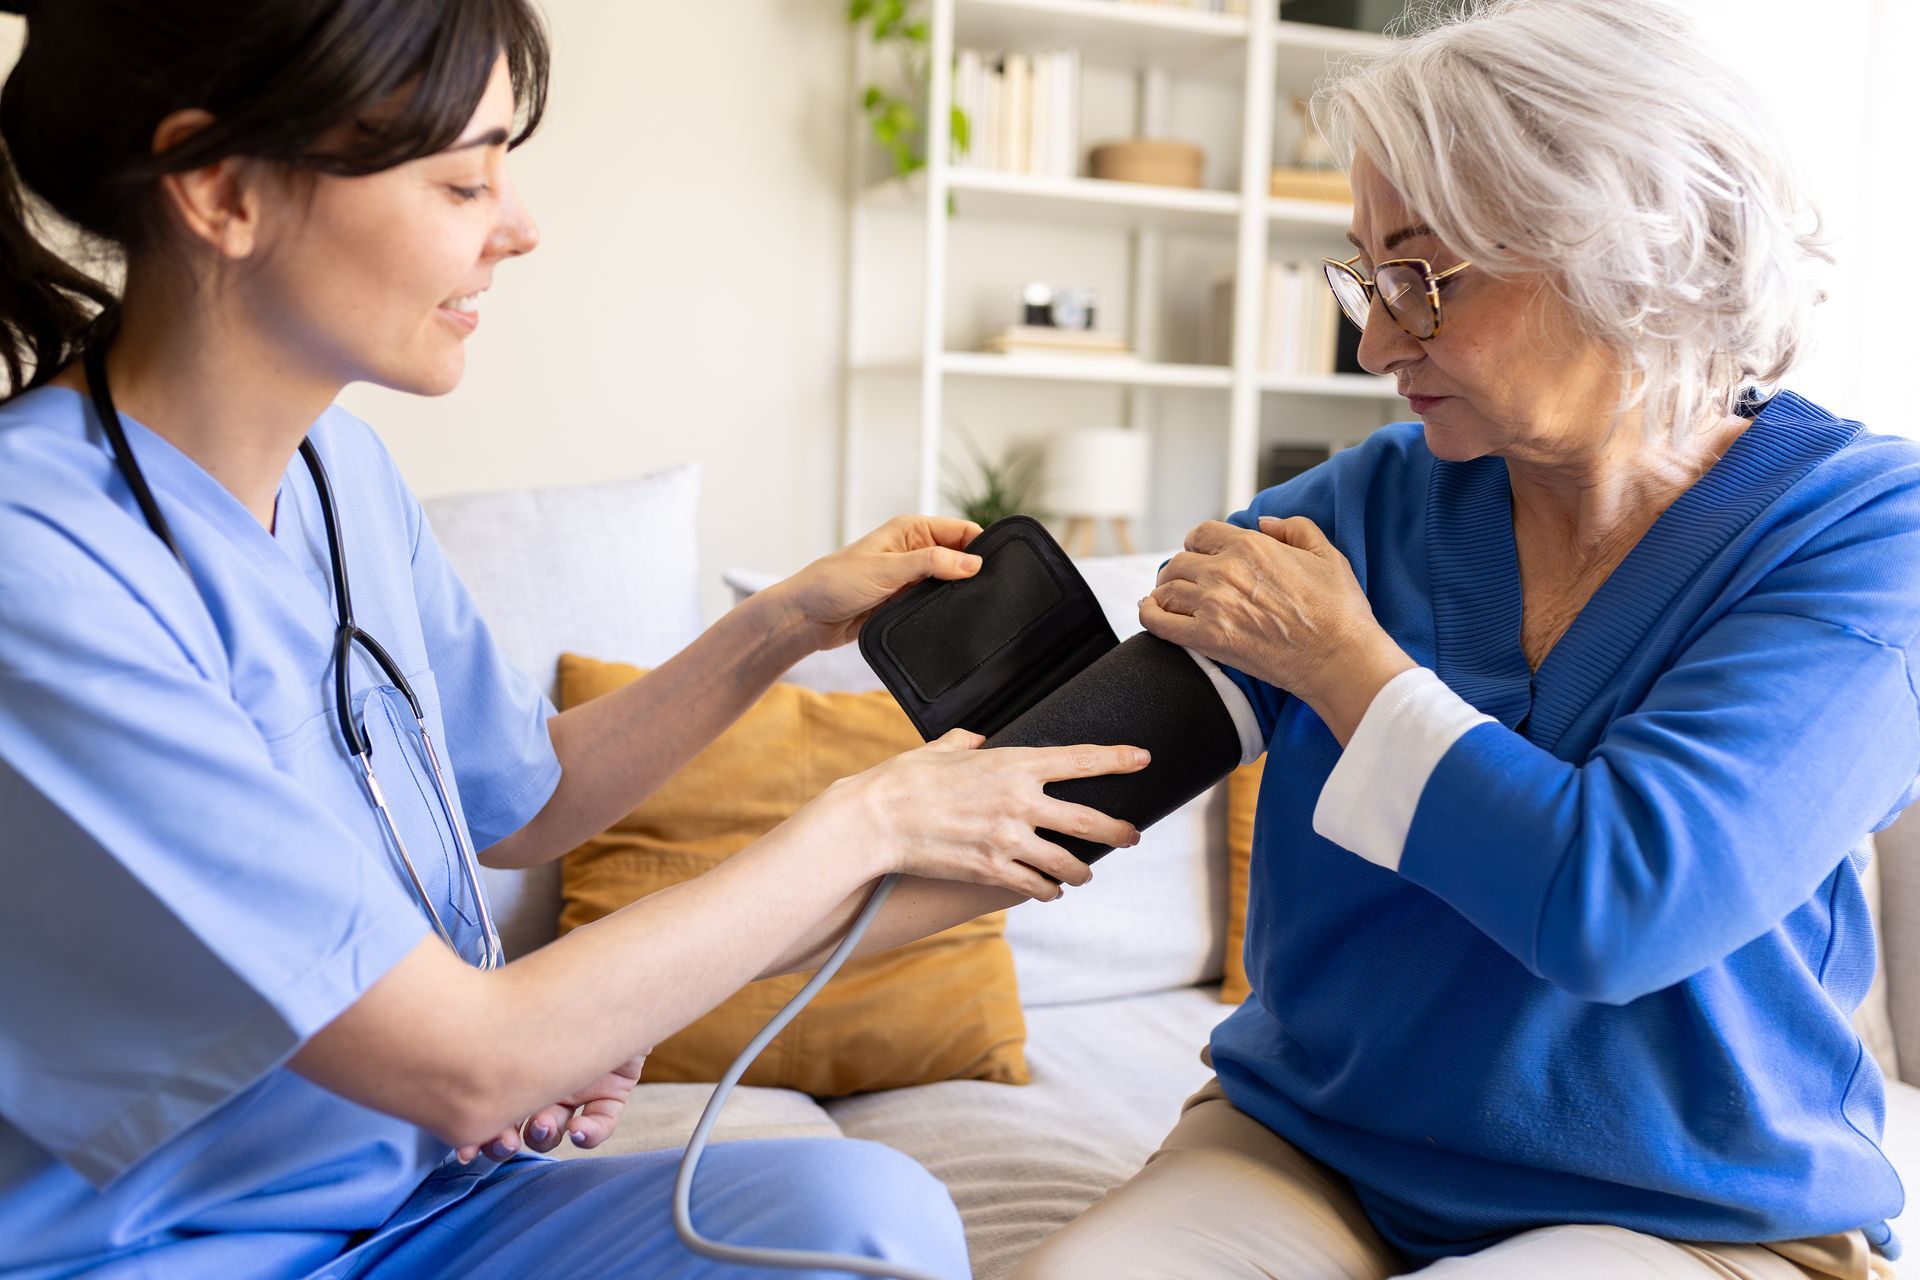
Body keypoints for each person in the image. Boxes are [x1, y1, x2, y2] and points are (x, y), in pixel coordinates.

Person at [0, 2, 1150, 1276]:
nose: (519, 224)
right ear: (222, 190)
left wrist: (784, 620)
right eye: (461, 179)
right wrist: (871, 818)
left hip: (429, 1202)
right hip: (174, 1246)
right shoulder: (36, 562)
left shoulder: (340, 472)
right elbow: (463, 1053)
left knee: (859, 1221)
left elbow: (524, 798)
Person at [1016, 1, 1917, 1278]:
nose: (1378, 340)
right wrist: (649, 980)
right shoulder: (1355, 509)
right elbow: (1051, 793)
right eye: (1366, 276)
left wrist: (1346, 666)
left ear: (1628, 246)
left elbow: (1623, 906)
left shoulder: (1867, 534)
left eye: (1424, 280)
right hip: (1312, 1149)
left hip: (1687, 1213)